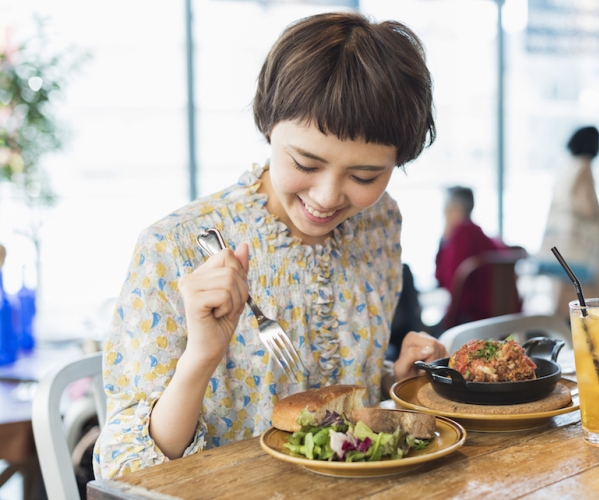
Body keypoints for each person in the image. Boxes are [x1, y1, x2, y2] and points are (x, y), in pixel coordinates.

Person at [94, 12, 448, 479]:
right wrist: (202, 357)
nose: (327, 197)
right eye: (305, 161)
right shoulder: (173, 247)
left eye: (365, 176)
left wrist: (395, 381)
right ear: (267, 124)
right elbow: (125, 470)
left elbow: (331, 379)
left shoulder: (378, 221)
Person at [537, 126, 599, 316]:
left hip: (561, 247)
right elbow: (588, 208)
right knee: (585, 309)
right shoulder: (584, 167)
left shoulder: (566, 167)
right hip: (580, 252)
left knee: (562, 305)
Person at [434, 186, 515, 329]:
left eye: (446, 209)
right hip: (497, 313)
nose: (444, 215)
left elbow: (446, 280)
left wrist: (444, 241)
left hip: (472, 317)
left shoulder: (462, 234)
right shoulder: (477, 232)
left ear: (456, 210)